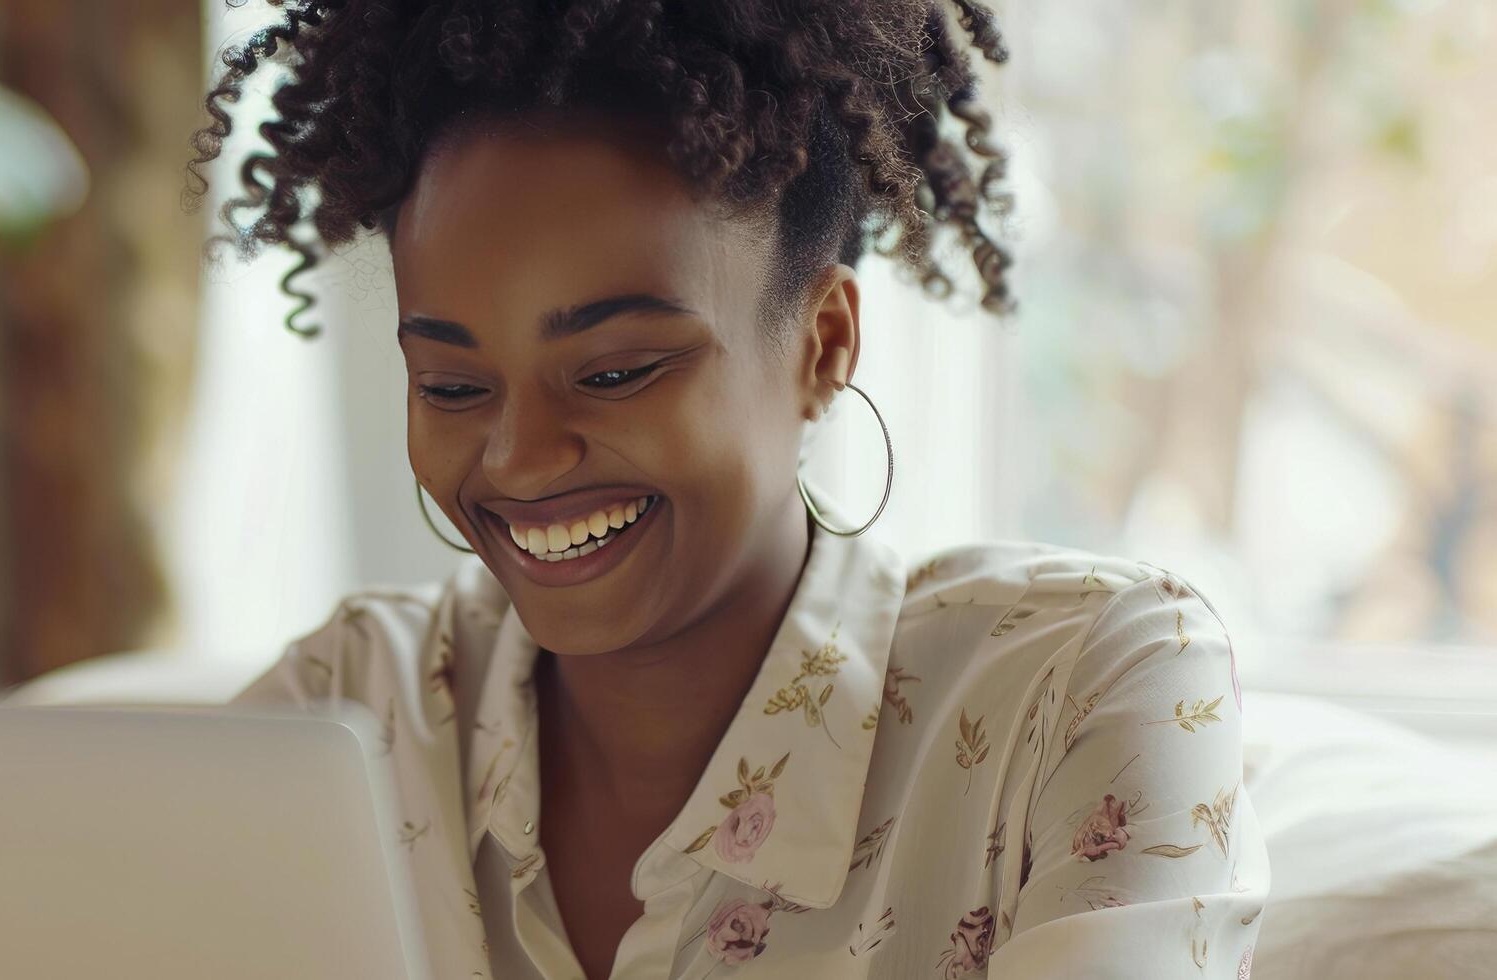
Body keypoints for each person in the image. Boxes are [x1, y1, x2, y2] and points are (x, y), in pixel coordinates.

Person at [186, 1, 1266, 977]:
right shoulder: (346, 708)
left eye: (613, 372)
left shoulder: (1079, 691)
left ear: (821, 342)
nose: (514, 457)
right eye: (453, 384)